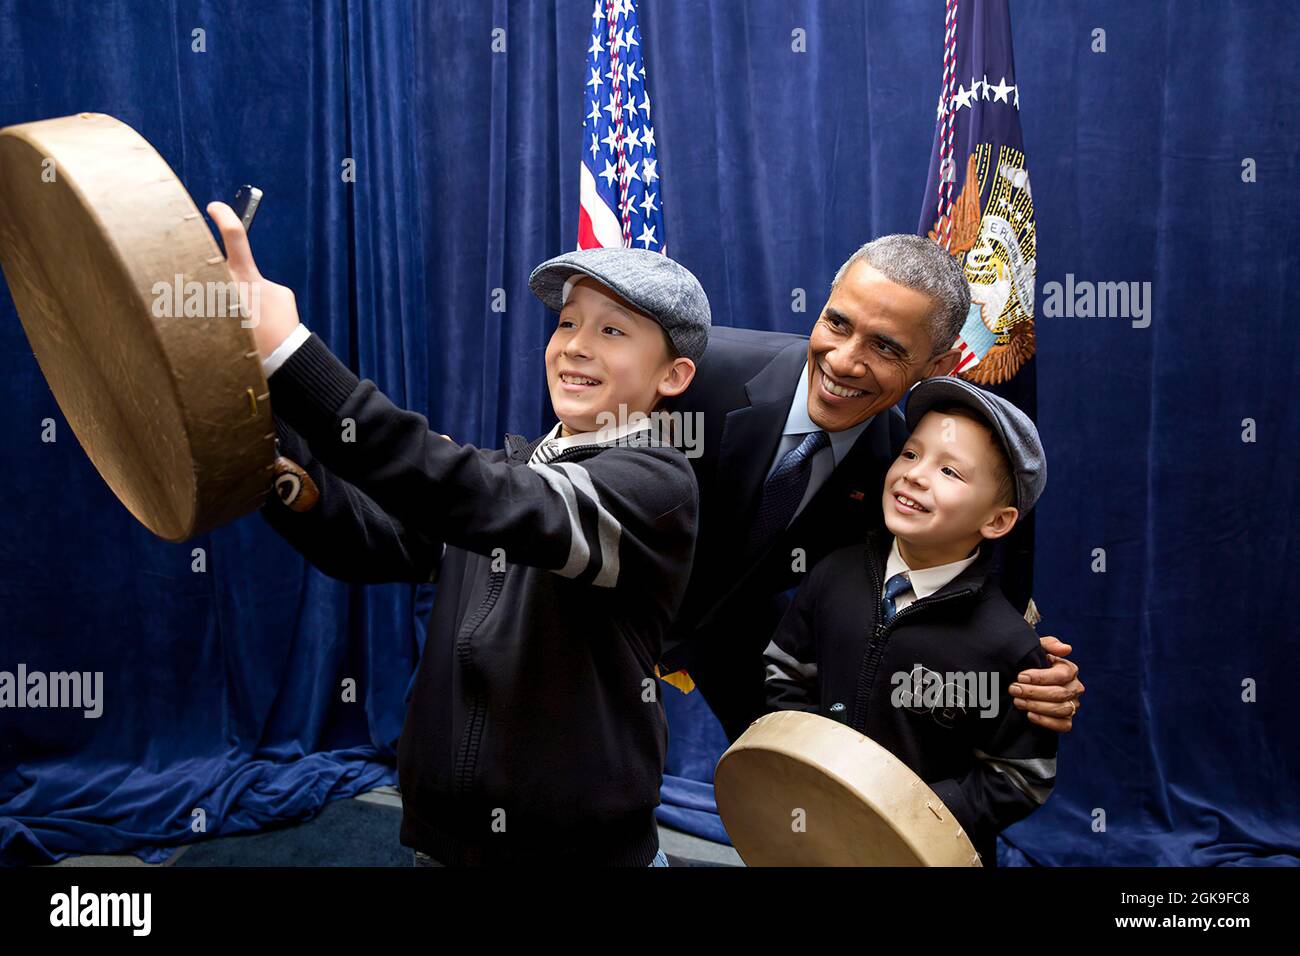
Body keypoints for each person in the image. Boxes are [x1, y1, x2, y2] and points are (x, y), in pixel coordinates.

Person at [209, 199, 708, 866]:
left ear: (673, 376)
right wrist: (263, 438)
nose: (575, 347)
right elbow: (365, 540)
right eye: (566, 324)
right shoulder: (508, 473)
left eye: (614, 332)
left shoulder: (656, 489)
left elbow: (476, 497)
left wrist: (293, 356)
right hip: (442, 841)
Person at [661, 234, 1084, 741]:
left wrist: (1032, 665)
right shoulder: (694, 369)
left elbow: (943, 580)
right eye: (837, 323)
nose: (842, 361)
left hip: (737, 631)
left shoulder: (901, 470)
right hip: (594, 609)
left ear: (939, 368)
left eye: (886, 347)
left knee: (794, 789)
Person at [764, 376, 1057, 864]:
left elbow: (1021, 774)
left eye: (950, 472)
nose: (915, 475)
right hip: (815, 830)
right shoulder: (832, 574)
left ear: (998, 521)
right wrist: (817, 765)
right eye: (910, 454)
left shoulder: (1008, 644)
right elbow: (786, 672)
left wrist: (913, 812)